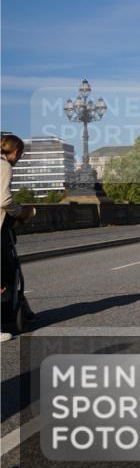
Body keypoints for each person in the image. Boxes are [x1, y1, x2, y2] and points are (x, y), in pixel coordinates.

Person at [2, 134, 36, 340]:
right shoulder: (4, 166)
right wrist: (21, 212)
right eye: (20, 154)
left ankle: (23, 307)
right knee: (4, 275)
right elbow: (4, 200)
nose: (19, 158)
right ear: (16, 151)